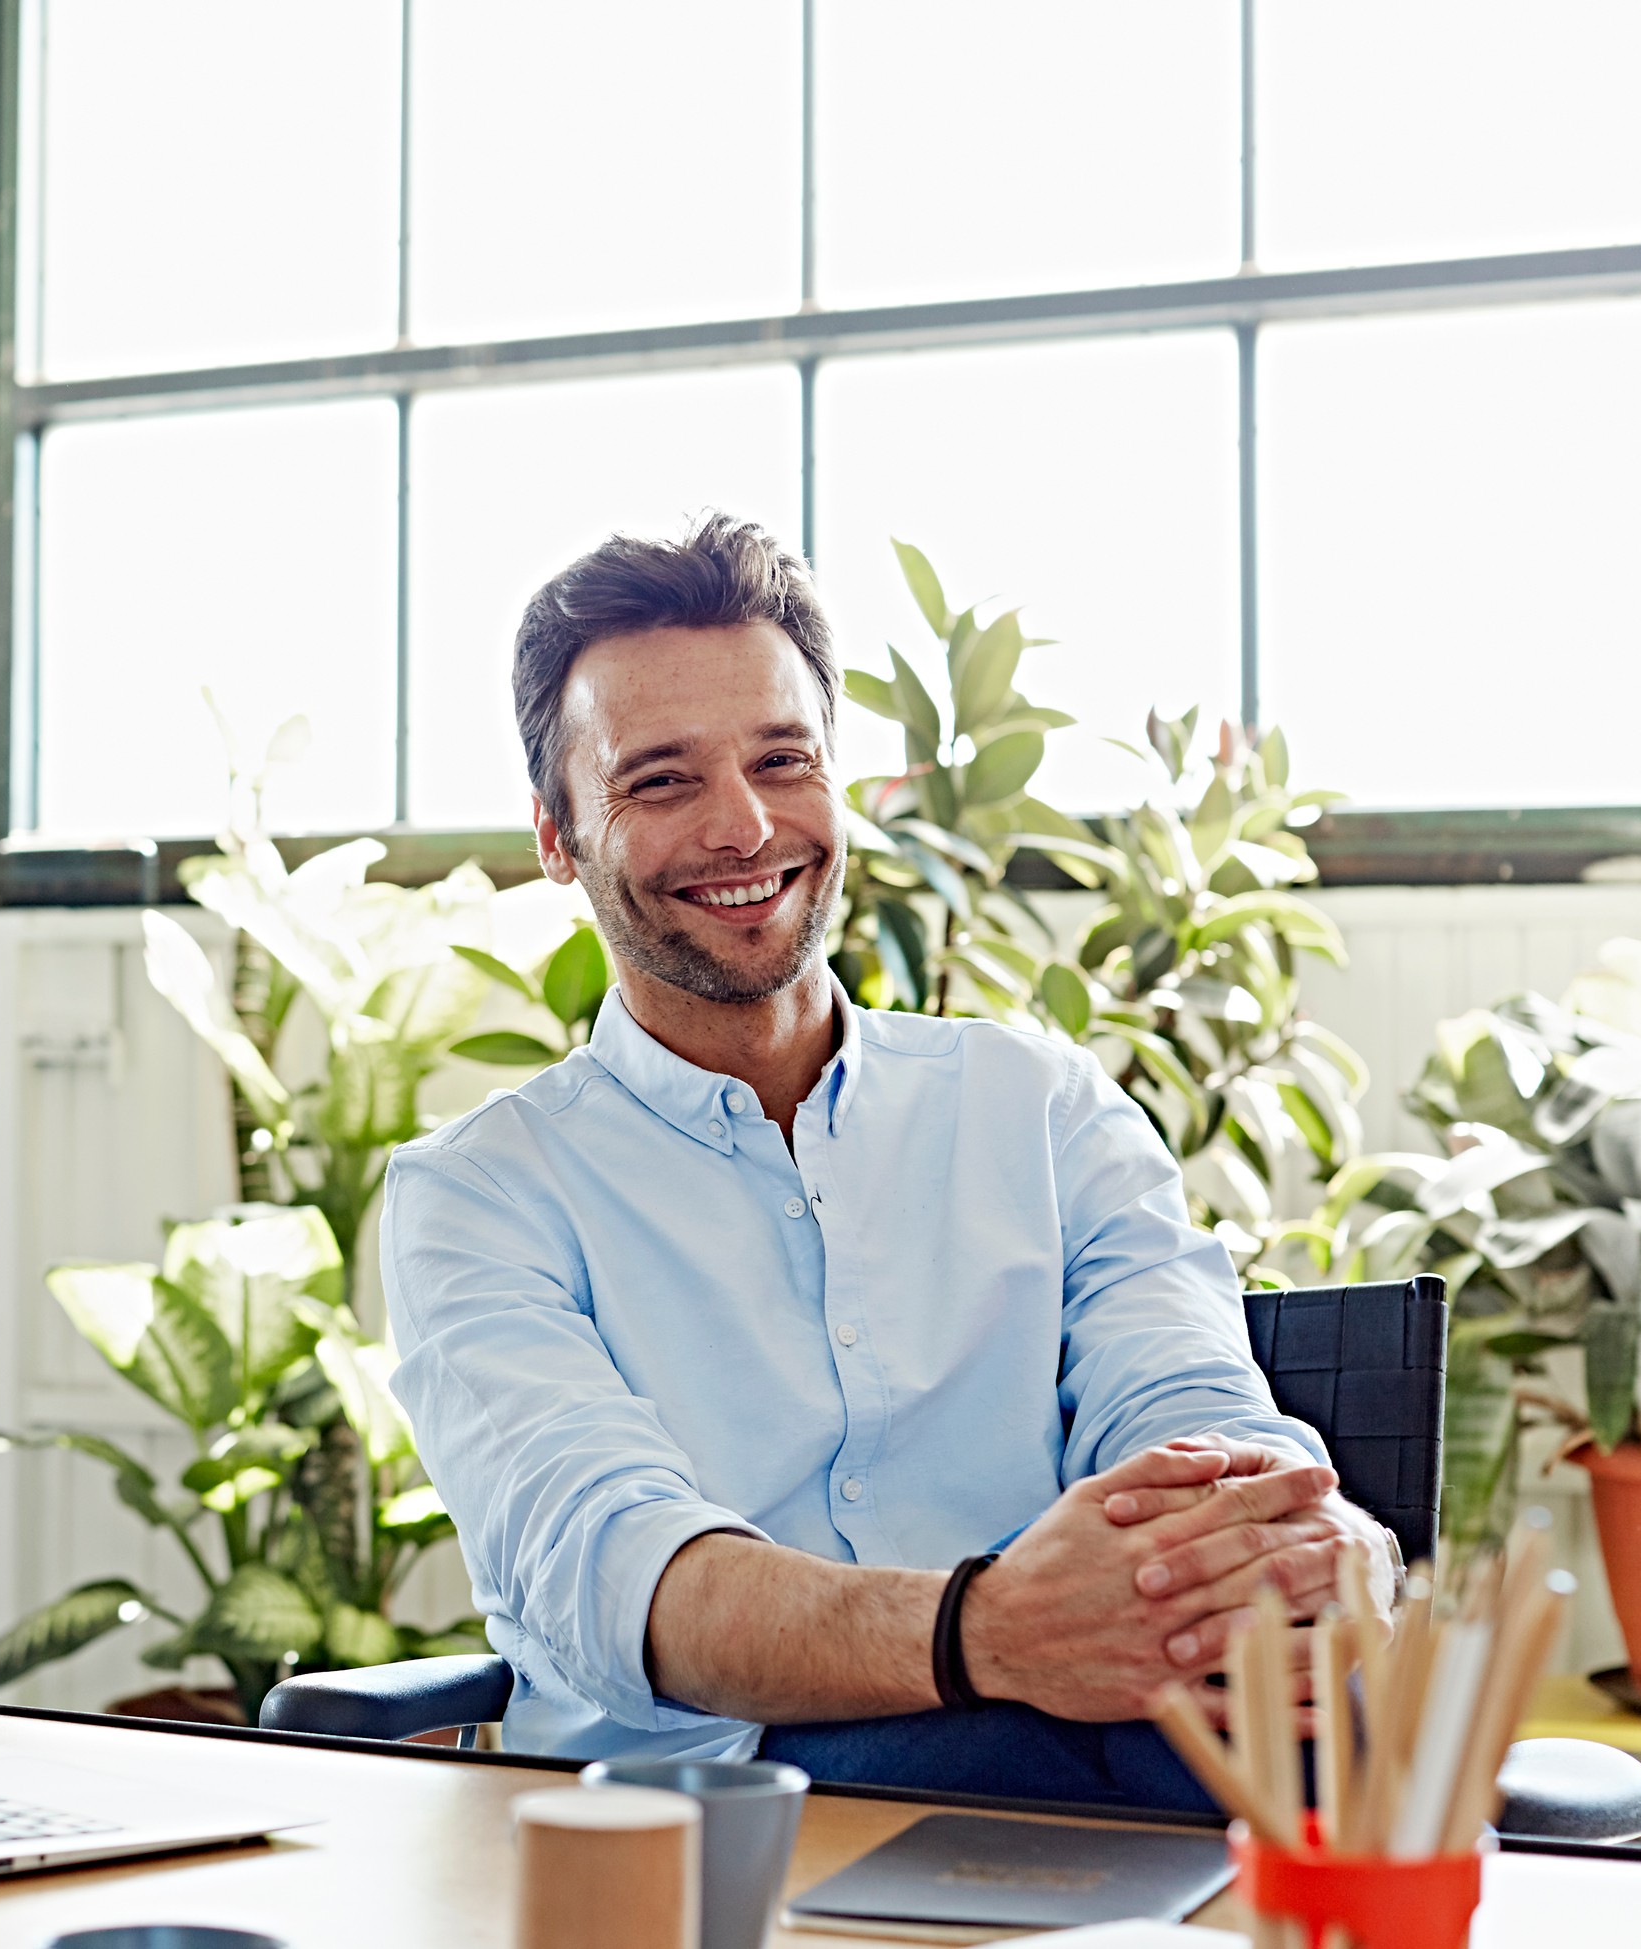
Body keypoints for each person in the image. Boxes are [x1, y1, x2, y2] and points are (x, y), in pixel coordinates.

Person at [380, 514, 1392, 1809]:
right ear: (557, 835)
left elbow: (1186, 1411)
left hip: (1103, 1748)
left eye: (780, 758)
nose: (742, 827)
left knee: (1323, 1728)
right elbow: (624, 1571)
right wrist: (987, 1631)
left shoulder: (1035, 1104)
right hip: (713, 1811)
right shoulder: (479, 1194)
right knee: (1008, 1757)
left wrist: (1300, 1539)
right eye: (660, 780)